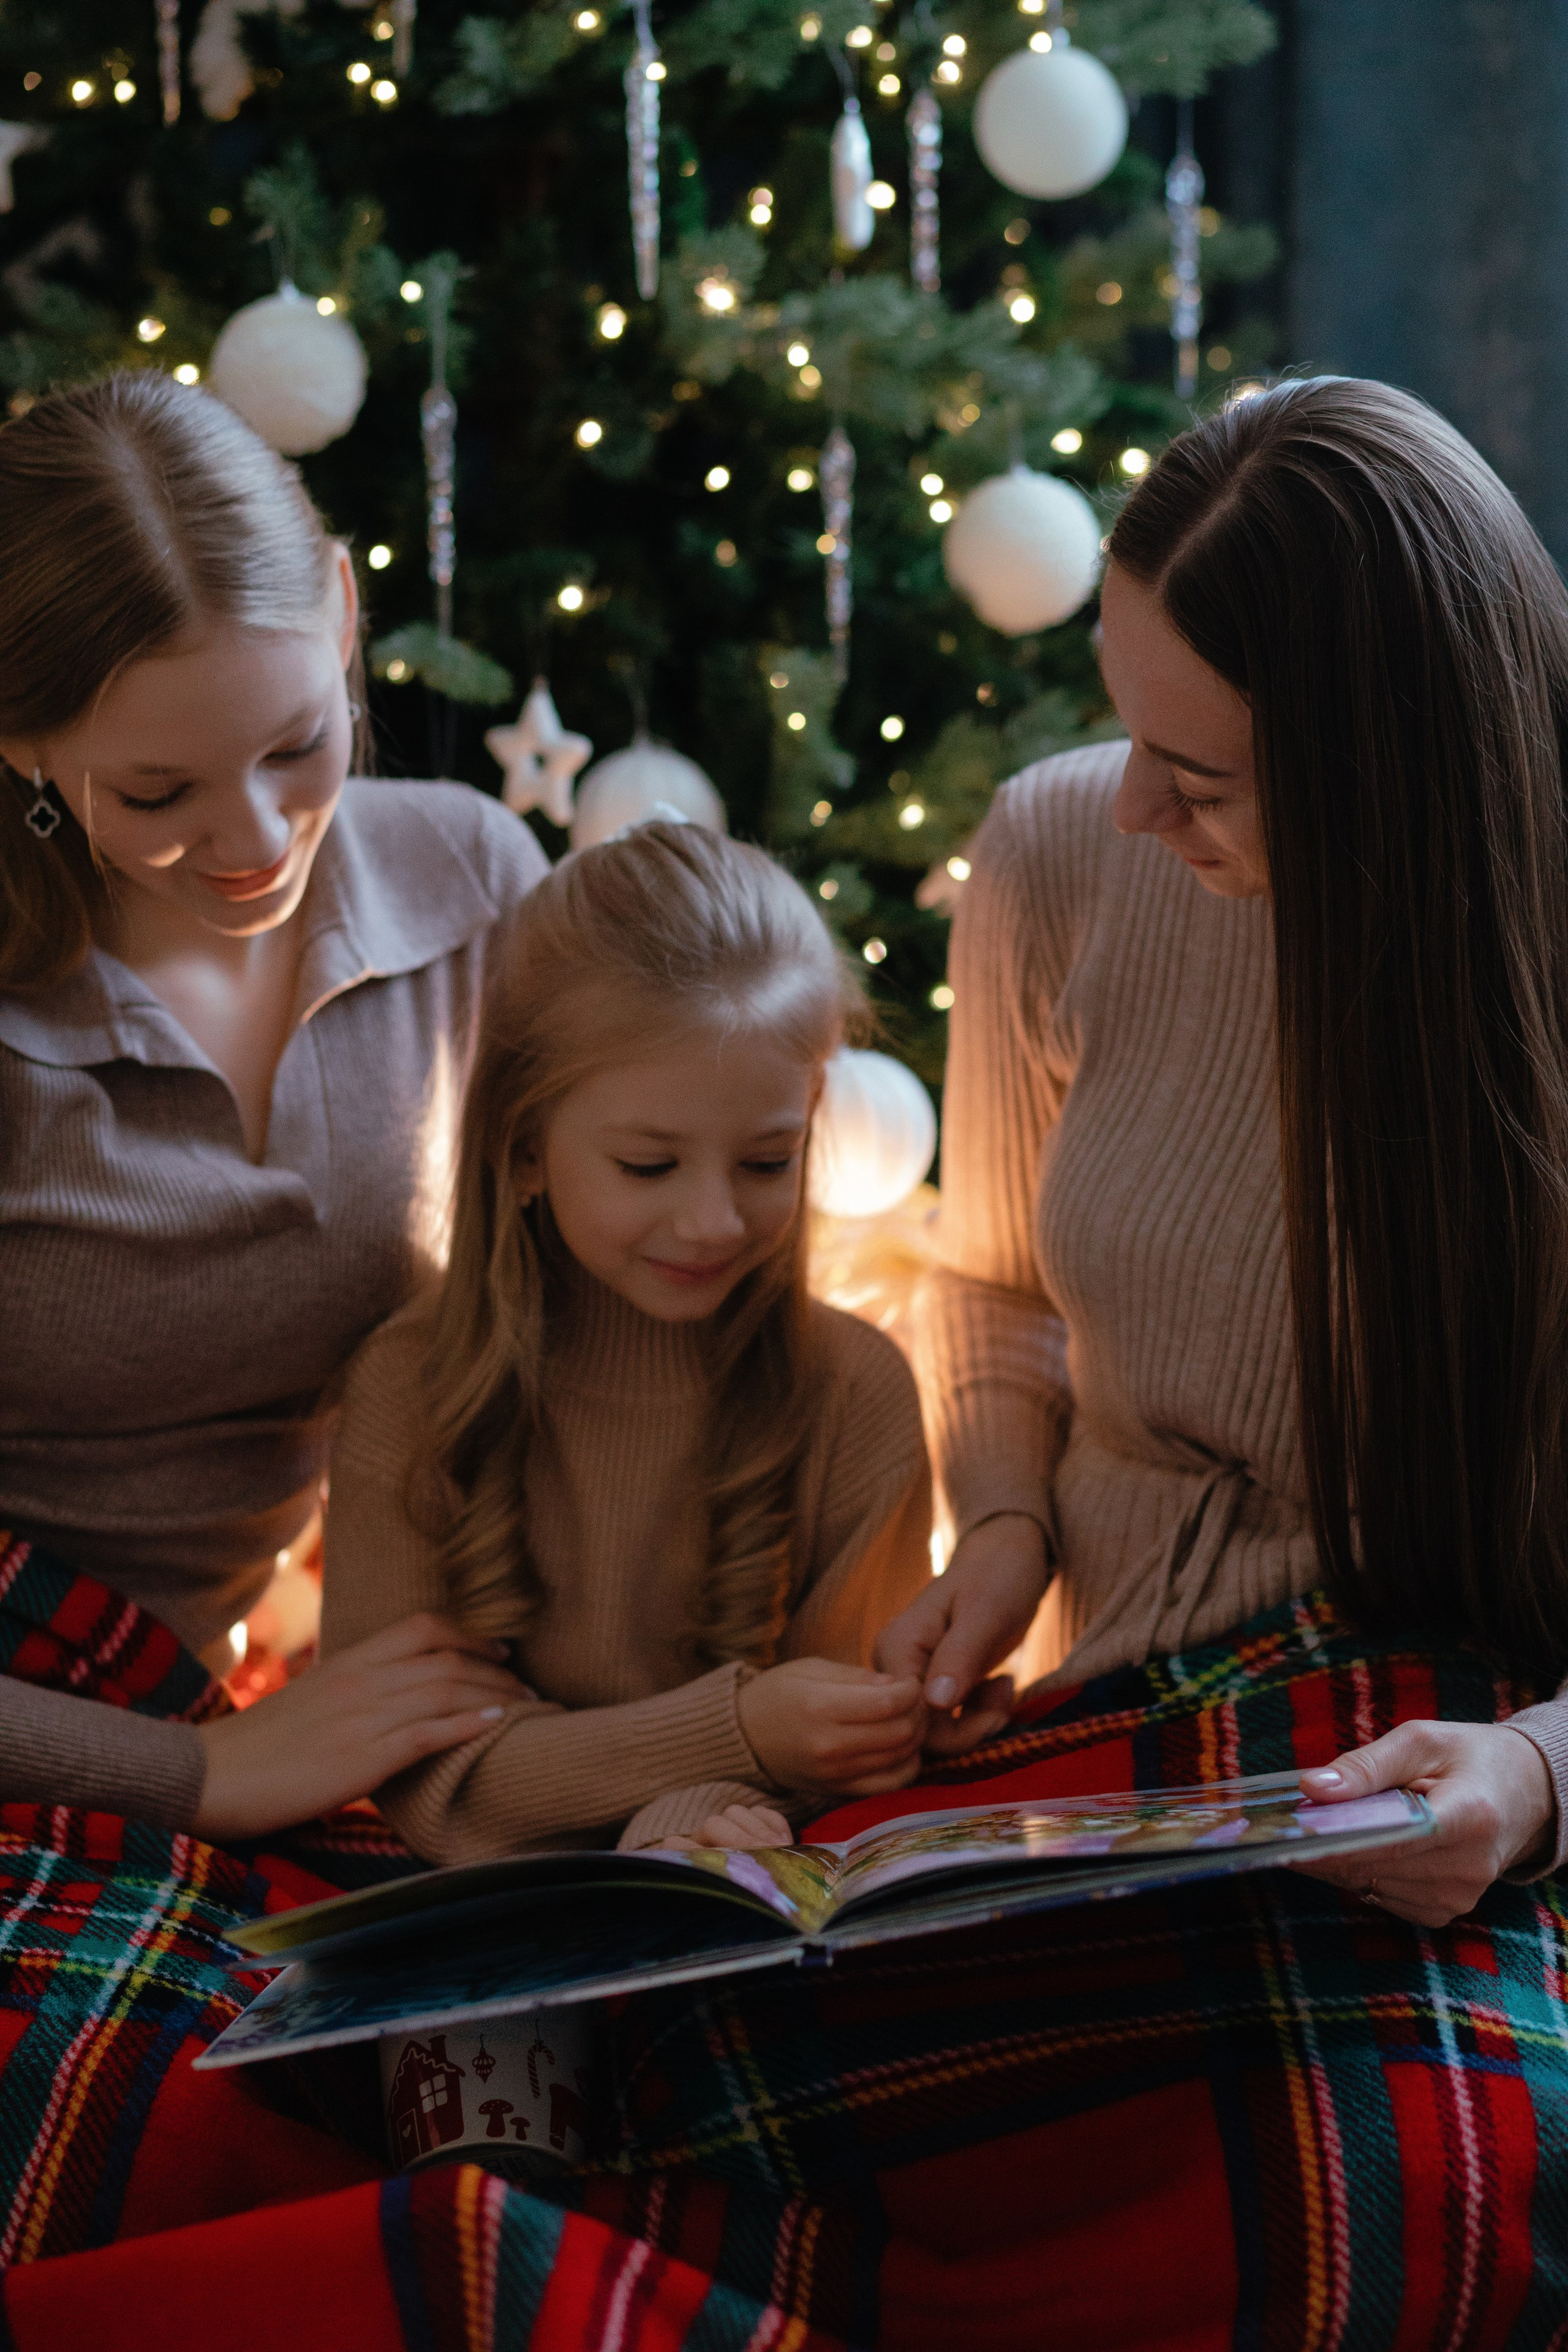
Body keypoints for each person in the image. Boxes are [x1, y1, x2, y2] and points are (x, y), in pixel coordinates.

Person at [878, 375, 1568, 1928]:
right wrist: (1002, 1519)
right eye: (1121, 726)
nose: (1130, 806)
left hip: (1454, 1747)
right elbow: (990, 1283)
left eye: (1195, 780)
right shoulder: (1051, 851)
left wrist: (1531, 1776)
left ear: (1385, 785)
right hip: (1111, 1710)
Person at [0, 370, 545, 1844]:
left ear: (345, 616)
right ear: (21, 744)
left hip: (283, 1683)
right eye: (155, 793)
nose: (252, 838)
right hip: (65, 1722)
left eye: (297, 744)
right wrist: (200, 1775)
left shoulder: (472, 885)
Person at [321, 818, 942, 1860]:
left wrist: (680, 1821)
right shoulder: (412, 1386)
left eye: (767, 1161)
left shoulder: (857, 1392)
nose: (714, 1222)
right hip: (483, 1909)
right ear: (524, 1147)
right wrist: (732, 1740)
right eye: (649, 1167)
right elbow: (421, 1783)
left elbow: (850, 1751)